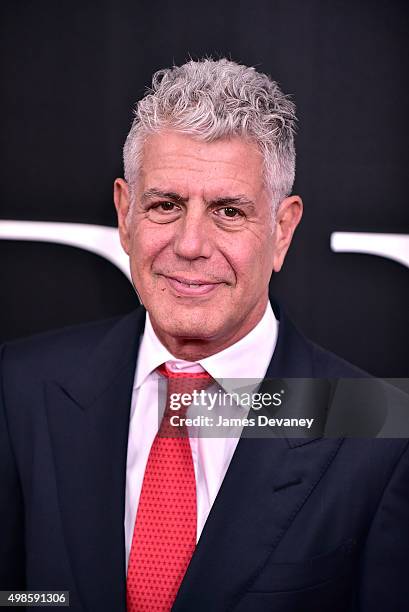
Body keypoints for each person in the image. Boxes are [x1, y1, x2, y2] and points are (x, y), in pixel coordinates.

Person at [0, 58, 408, 612]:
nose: (190, 245)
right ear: (125, 214)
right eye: (165, 205)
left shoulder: (375, 427)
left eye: (228, 211)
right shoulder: (22, 387)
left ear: (282, 230)